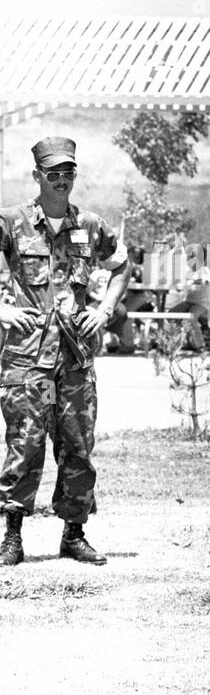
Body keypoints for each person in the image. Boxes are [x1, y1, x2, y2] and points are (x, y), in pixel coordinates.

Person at [0, 136, 126, 565]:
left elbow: (121, 264)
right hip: (28, 358)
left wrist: (104, 308)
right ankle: (12, 537)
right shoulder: (11, 222)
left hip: (74, 359)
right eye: (53, 173)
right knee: (25, 443)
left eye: (68, 172)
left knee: (77, 446)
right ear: (37, 176)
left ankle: (74, 534)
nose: (61, 181)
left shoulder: (90, 226)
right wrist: (1, 308)